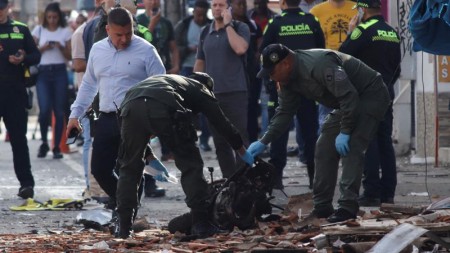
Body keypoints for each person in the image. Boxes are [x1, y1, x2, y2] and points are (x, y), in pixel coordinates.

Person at [248, 44, 391, 223]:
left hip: (370, 95)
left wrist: (346, 131)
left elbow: (349, 97)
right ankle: (322, 207)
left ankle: (347, 207)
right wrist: (264, 141)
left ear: (285, 63)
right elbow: (284, 112)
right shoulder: (286, 80)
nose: (270, 77)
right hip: (347, 104)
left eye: (271, 72)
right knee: (324, 147)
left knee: (352, 147)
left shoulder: (320, 64)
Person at [114, 73, 254, 238]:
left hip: (129, 107)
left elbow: (128, 125)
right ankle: (201, 224)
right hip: (162, 106)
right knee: (190, 165)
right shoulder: (201, 89)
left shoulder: (170, 81)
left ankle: (123, 228)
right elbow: (221, 123)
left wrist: (149, 156)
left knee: (129, 169)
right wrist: (242, 151)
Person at [66, 7, 165, 213]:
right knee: (99, 170)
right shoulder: (98, 50)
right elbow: (89, 85)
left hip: (135, 120)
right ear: (108, 29)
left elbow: (162, 87)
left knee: (132, 171)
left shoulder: (146, 50)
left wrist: (156, 121)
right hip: (106, 118)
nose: (124, 39)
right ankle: (122, 203)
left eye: (128, 33)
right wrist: (75, 115)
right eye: (119, 34)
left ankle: (127, 214)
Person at [339, 0, 401, 206]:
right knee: (385, 141)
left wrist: (350, 32)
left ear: (363, 9)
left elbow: (342, 55)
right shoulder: (391, 32)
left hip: (367, 93)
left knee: (369, 140)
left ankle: (372, 191)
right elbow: (397, 68)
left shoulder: (362, 30)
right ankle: (388, 192)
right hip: (387, 91)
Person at [259, 0, 324, 189]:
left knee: (278, 133)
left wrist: (269, 84)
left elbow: (264, 54)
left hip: (281, 85)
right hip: (308, 86)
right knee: (311, 134)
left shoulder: (276, 23)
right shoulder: (312, 21)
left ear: (283, 3)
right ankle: (315, 178)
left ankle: (276, 180)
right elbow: (321, 50)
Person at [194, 0, 251, 179]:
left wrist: (227, 25)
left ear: (228, 9)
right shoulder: (205, 31)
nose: (217, 8)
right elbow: (200, 63)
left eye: (221, 5)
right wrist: (193, 88)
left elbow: (240, 48)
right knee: (220, 143)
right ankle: (230, 182)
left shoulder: (240, 27)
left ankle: (244, 182)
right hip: (212, 95)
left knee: (240, 140)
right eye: (214, 5)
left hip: (236, 92)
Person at [0, 0, 40, 199]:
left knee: (18, 139)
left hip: (14, 91)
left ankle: (26, 184)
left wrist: (23, 57)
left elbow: (36, 56)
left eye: (1, 8)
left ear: (8, 7)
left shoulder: (21, 29)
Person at [137, 0, 180, 163]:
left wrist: (176, 65)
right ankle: (148, 150)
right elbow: (141, 44)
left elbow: (173, 46)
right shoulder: (139, 21)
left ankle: (168, 150)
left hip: (164, 70)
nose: (154, 2)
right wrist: (152, 24)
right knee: (151, 111)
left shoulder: (166, 22)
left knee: (167, 108)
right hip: (145, 73)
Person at [32, 2, 72, 159]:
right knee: (44, 110)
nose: (52, 20)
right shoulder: (39, 30)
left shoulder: (65, 31)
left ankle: (56, 146)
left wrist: (61, 47)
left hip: (59, 71)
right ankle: (43, 143)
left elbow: (70, 56)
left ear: (59, 17)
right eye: (49, 17)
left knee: (59, 110)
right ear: (45, 17)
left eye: (55, 17)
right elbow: (32, 52)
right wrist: (43, 48)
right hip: (43, 72)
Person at [310, 0, 356, 132]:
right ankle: (325, 149)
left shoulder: (355, 9)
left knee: (350, 113)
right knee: (326, 116)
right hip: (326, 68)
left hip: (351, 67)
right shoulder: (316, 12)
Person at [174, 0, 212, 152]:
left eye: (203, 15)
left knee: (206, 105)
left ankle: (204, 139)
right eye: (198, 14)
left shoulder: (210, 26)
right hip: (187, 67)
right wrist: (187, 49)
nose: (200, 18)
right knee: (184, 105)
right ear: (193, 12)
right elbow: (175, 46)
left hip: (205, 69)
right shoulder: (183, 26)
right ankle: (187, 137)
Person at [230, 0, 263, 144]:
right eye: (238, 4)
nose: (242, 7)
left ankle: (252, 142)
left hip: (251, 74)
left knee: (252, 108)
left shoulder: (252, 24)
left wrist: (257, 55)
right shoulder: (228, 25)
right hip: (232, 75)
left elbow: (261, 41)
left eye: (243, 4)